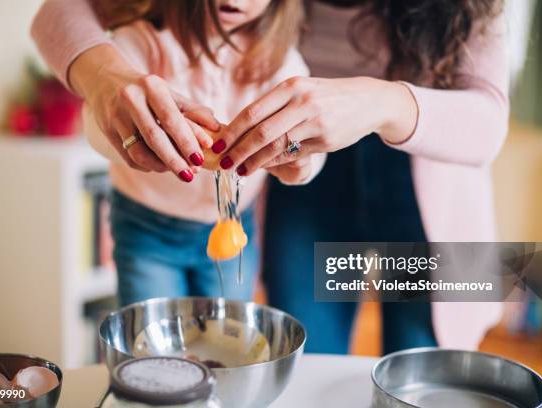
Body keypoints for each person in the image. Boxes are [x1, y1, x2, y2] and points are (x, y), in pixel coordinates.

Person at [31, 0, 506, 352]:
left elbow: (489, 125)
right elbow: (57, 15)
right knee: (304, 364)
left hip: (432, 197)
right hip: (302, 187)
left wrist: (381, 103)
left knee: (420, 374)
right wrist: (107, 81)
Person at [50, 0, 325, 306]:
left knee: (229, 332)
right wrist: (137, 139)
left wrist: (303, 163)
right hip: (147, 230)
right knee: (153, 335)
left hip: (234, 229)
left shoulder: (282, 61)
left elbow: (312, 134)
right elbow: (95, 123)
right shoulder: (140, 42)